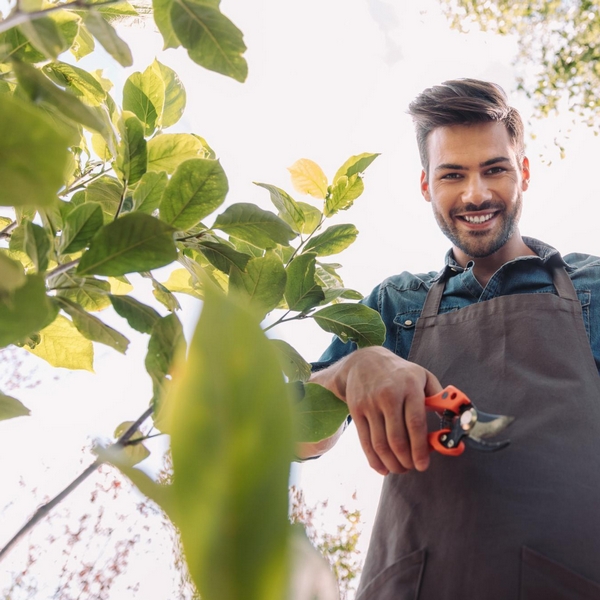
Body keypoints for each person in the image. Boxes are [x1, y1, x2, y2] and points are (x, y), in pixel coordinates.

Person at [298, 79, 600, 599]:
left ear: (523, 172)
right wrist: (347, 371)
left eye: (495, 169)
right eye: (452, 175)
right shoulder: (396, 305)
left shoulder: (593, 288)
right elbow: (296, 438)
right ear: (426, 186)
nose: (476, 194)